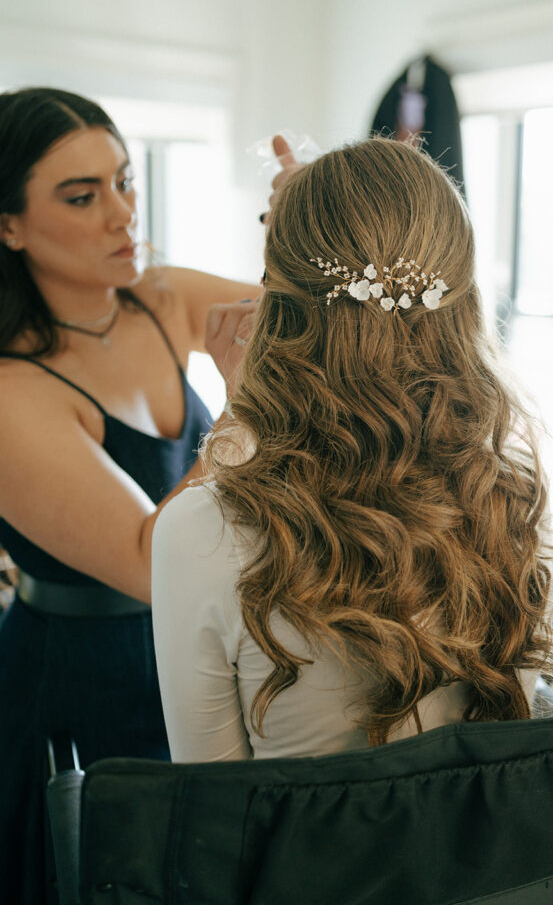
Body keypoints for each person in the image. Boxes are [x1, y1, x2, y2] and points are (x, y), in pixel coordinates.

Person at [151, 136, 553, 764]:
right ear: (461, 302)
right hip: (496, 859)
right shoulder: (500, 494)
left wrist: (239, 420)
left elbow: (212, 814)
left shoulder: (204, 532)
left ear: (277, 307)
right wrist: (333, 220)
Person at [0, 86, 268, 904]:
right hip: (80, 679)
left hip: (196, 647)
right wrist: (241, 404)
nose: (121, 214)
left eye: (124, 180)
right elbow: (150, 562)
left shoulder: (157, 298)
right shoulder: (12, 391)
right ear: (7, 225)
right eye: (82, 197)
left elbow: (320, 328)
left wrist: (295, 227)